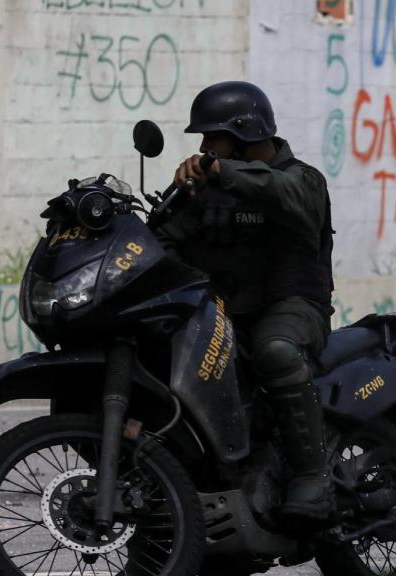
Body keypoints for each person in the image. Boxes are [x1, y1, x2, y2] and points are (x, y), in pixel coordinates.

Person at [155, 80, 335, 522]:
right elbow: (162, 239)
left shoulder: (303, 180)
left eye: (211, 137)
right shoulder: (205, 189)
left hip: (291, 308)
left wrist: (222, 172)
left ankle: (314, 477)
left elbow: (286, 195)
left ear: (245, 133)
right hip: (220, 316)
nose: (203, 148)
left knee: (276, 351)